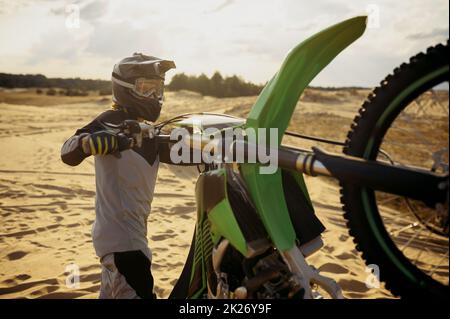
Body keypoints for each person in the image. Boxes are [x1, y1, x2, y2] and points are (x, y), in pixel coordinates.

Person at [61, 53, 176, 299]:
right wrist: (89, 142)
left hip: (125, 239)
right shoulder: (110, 122)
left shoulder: (148, 132)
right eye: (146, 88)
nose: (154, 97)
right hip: (125, 243)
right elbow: (68, 151)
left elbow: (184, 152)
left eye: (158, 90)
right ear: (125, 88)